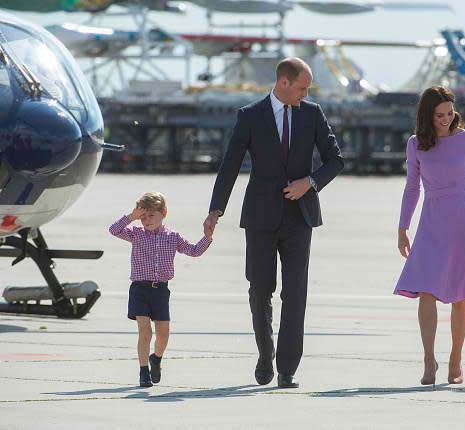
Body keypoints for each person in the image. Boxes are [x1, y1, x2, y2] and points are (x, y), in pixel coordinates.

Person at [203, 57, 343, 388]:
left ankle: (287, 368)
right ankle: (265, 356)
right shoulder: (250, 116)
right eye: (302, 87)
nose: (306, 93)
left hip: (300, 218)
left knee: (295, 294)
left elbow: (336, 159)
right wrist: (215, 210)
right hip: (260, 218)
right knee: (260, 291)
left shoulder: (312, 114)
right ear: (283, 82)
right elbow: (230, 165)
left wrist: (308, 182)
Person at [394, 86, 465, 385]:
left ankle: (455, 358)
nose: (446, 119)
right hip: (431, 221)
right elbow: (412, 187)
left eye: (450, 113)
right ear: (428, 115)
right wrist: (402, 227)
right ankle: (429, 360)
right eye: (439, 115)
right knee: (426, 290)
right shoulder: (416, 144)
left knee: (459, 293)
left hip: (462, 222)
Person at [109, 191, 212, 387]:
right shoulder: (136, 234)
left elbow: (194, 251)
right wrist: (131, 217)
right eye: (143, 217)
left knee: (163, 333)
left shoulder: (173, 237)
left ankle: (156, 358)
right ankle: (143, 371)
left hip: (160, 291)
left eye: (151, 215)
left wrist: (206, 237)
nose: (146, 221)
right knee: (145, 331)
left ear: (163, 212)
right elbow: (113, 230)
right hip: (139, 289)